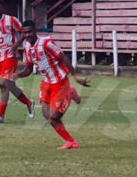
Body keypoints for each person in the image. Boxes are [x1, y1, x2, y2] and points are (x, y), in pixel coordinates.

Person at [11, 20, 89, 150]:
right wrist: (18, 75)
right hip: (46, 83)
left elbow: (63, 57)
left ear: (35, 31)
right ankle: (71, 93)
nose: (28, 35)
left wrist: (75, 76)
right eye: (25, 33)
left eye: (30, 31)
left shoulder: (46, 43)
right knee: (47, 115)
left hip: (60, 82)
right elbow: (29, 69)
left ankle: (71, 142)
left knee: (54, 118)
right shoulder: (27, 47)